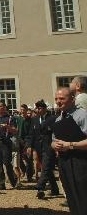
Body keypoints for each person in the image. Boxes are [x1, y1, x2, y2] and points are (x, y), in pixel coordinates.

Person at [51, 87, 87, 215]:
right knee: (71, 196)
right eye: (56, 99)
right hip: (64, 163)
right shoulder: (58, 119)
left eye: (62, 98)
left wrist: (70, 145)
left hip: (81, 162)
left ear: (72, 99)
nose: (58, 101)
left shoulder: (82, 115)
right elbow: (53, 140)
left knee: (83, 196)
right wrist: (54, 145)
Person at [28, 99, 60, 199]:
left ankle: (40, 187)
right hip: (39, 147)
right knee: (48, 169)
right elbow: (31, 134)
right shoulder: (35, 119)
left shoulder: (53, 118)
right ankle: (55, 189)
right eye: (37, 108)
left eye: (40, 108)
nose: (38, 110)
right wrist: (29, 146)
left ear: (45, 108)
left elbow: (57, 133)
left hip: (49, 146)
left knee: (45, 167)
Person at [0, 102, 18, 190]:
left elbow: (15, 130)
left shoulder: (10, 118)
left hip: (6, 142)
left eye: (0, 106)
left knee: (7, 162)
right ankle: (1, 183)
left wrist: (8, 127)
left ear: (4, 107)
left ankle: (13, 180)